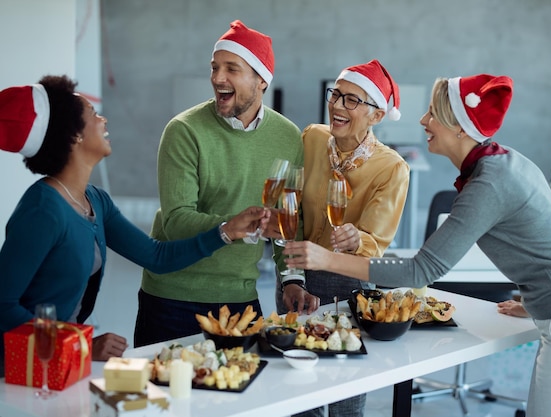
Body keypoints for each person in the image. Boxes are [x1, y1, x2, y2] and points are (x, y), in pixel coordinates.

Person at [284, 73, 551, 417]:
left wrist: (326, 259)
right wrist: (535, 299)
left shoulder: (488, 183)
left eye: (432, 113)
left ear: (459, 127)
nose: (422, 120)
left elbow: (421, 270)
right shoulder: (504, 161)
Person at [0, 75, 270, 376]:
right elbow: (3, 304)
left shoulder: (94, 200)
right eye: (92, 114)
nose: (103, 120)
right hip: (19, 369)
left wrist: (226, 231)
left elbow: (156, 256)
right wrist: (80, 344)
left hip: (57, 363)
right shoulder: (42, 210)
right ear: (74, 134)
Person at [134, 20, 313, 347]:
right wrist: (232, 226)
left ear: (261, 80)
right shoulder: (184, 130)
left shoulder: (288, 137)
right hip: (172, 298)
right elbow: (175, 222)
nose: (218, 78)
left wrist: (291, 280)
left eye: (232, 69)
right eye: (215, 68)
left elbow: (288, 222)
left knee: (248, 394)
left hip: (239, 296)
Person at [278, 60, 410, 417]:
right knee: (297, 395)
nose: (336, 105)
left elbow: (375, 243)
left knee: (345, 400)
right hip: (297, 281)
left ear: (377, 115)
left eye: (351, 100)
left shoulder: (392, 168)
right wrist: (291, 278)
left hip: (348, 287)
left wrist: (357, 239)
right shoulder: (311, 138)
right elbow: (292, 216)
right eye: (335, 94)